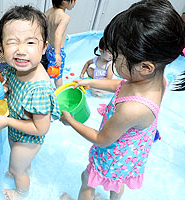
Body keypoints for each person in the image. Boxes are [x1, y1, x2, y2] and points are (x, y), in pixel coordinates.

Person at [60, 0, 185, 200]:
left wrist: (71, 121)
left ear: (145, 67)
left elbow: (101, 140)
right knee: (116, 186)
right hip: (129, 157)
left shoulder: (132, 109)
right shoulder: (156, 80)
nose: (113, 60)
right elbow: (120, 87)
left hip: (111, 156)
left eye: (117, 57)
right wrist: (91, 83)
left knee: (87, 179)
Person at [0, 5, 61, 200]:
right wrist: (2, 90)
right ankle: (23, 165)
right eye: (12, 42)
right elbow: (9, 88)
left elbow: (41, 129)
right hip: (17, 130)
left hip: (29, 138)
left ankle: (21, 192)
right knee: (15, 154)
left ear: (44, 47)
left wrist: (7, 122)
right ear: (1, 46)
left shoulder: (39, 88)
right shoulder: (14, 70)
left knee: (16, 168)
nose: (20, 50)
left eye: (30, 42)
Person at [44, 0, 77, 88]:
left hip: (47, 48)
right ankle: (59, 91)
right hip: (57, 50)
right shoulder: (64, 17)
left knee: (49, 69)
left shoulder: (48, 12)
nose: (75, 2)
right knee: (57, 74)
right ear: (65, 1)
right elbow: (58, 34)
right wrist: (57, 54)